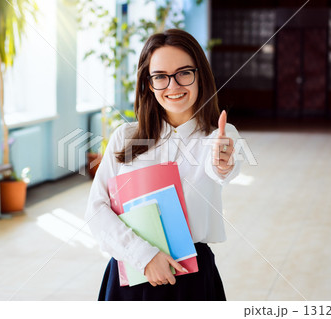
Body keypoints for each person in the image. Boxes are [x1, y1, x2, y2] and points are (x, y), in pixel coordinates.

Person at [85, 28, 241, 301]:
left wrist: (223, 163)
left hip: (191, 279)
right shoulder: (125, 137)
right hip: (130, 273)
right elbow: (97, 209)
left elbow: (222, 170)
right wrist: (144, 257)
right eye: (160, 77)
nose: (173, 86)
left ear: (200, 76)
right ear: (148, 83)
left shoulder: (219, 136)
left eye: (184, 73)